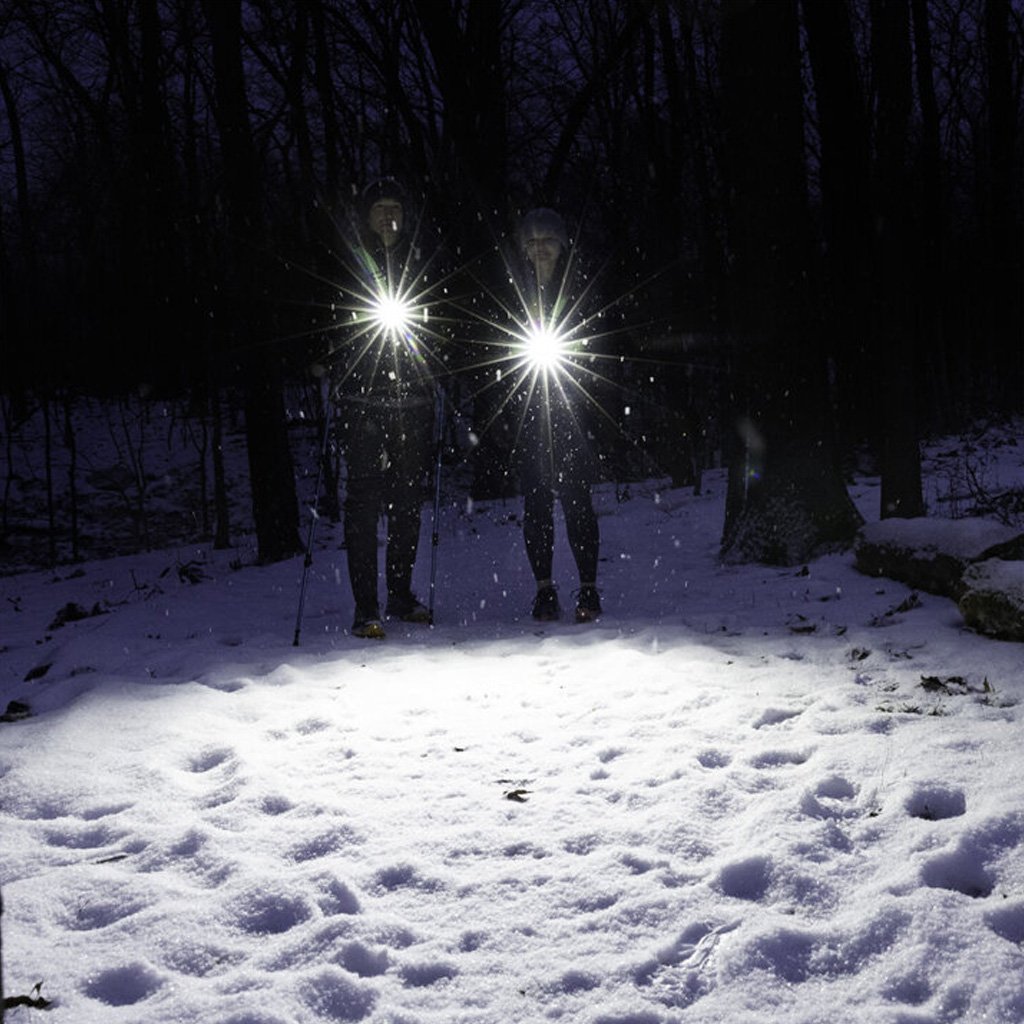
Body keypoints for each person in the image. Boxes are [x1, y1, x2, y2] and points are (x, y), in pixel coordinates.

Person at [333, 177, 439, 639]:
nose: (388, 215)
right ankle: (366, 606)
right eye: (379, 208)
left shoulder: (420, 262)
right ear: (367, 215)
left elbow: (441, 315)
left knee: (407, 502)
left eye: (395, 207)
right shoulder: (350, 262)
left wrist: (436, 358)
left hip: (412, 398)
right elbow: (332, 313)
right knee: (363, 502)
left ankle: (400, 592)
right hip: (362, 398)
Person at [508, 207, 603, 624]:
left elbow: (601, 343)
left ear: (562, 246)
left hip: (573, 410)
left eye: (547, 240)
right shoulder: (514, 293)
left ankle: (588, 587)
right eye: (532, 241)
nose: (540, 248)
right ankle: (544, 589)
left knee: (578, 503)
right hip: (530, 413)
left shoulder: (581, 288)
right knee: (537, 505)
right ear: (523, 250)